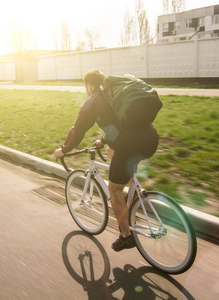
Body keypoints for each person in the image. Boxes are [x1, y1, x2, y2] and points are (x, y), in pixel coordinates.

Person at [54, 70, 159, 251]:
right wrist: (103, 141)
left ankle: (126, 236)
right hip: (150, 139)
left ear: (89, 85)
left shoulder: (93, 100)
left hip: (129, 144)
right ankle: (134, 205)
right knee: (119, 160)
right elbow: (120, 124)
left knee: (114, 189)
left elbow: (78, 130)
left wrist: (63, 150)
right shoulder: (115, 93)